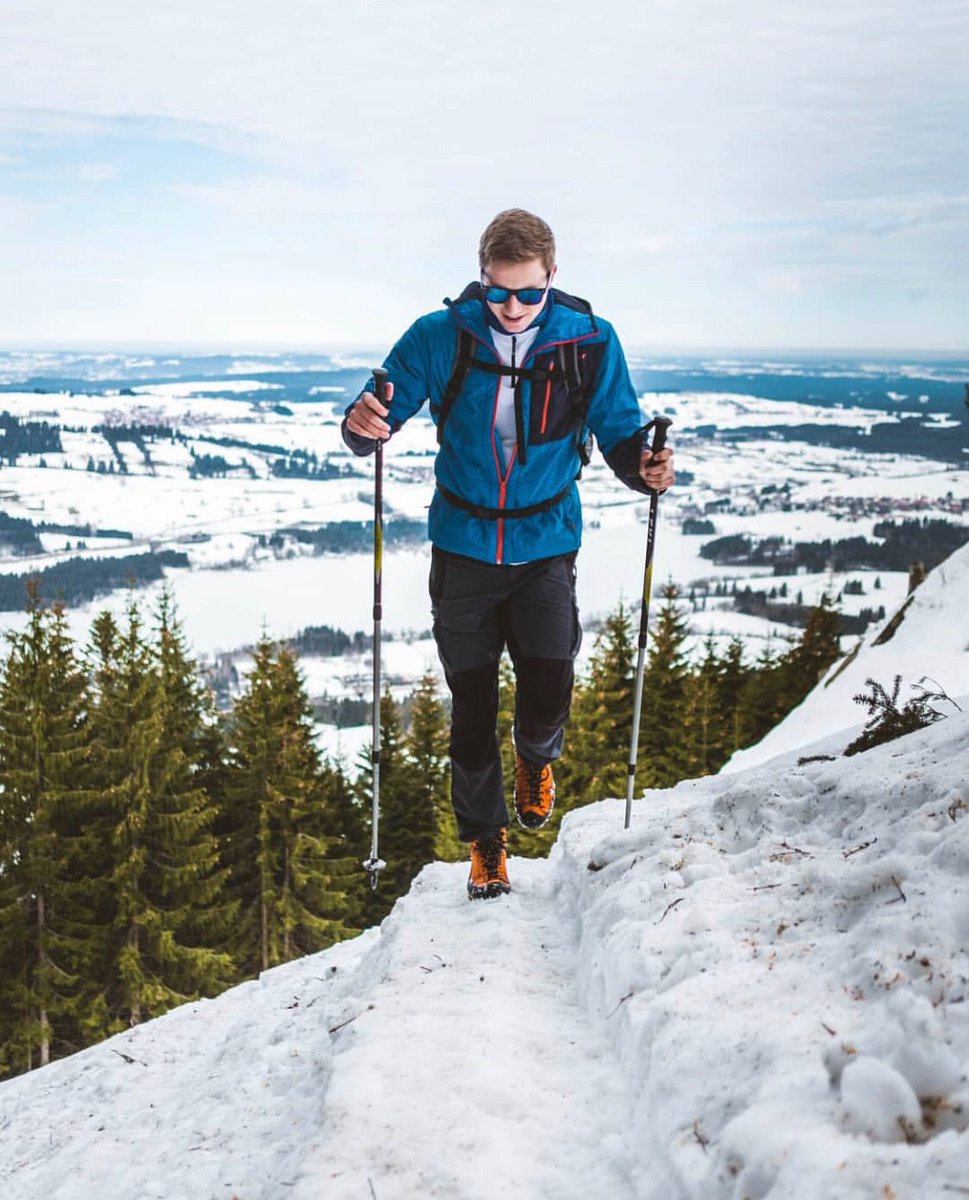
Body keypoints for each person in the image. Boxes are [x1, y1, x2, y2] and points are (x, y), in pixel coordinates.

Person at [342, 208, 674, 900]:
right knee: (470, 707)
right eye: (497, 292)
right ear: (480, 277)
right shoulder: (442, 335)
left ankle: (535, 759)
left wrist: (643, 467)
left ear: (552, 277)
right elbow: (375, 414)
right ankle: (485, 846)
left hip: (545, 541)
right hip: (462, 545)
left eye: (528, 292)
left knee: (548, 684)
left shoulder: (587, 340)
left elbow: (618, 430)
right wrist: (362, 423)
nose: (513, 308)